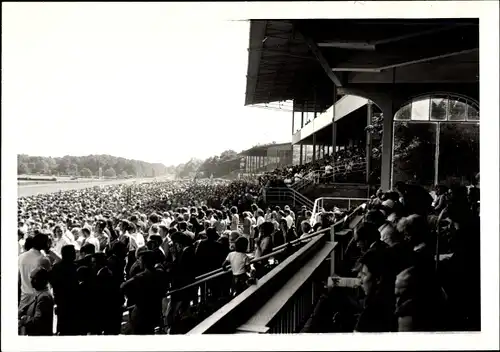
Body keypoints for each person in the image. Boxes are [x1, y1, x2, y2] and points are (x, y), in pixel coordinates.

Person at [121, 250, 164, 335]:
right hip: (155, 311)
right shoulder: (160, 273)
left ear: (144, 262)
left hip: (141, 313)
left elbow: (123, 286)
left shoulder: (140, 277)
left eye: (140, 260)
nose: (139, 262)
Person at [50, 244, 79, 335]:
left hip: (61, 300)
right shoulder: (76, 267)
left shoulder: (56, 267)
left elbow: (52, 282)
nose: (75, 254)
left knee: (62, 324)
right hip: (73, 300)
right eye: (74, 252)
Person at [18, 267, 54, 336]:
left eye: (34, 279)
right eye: (31, 278)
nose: (31, 281)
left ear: (43, 280)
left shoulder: (44, 298)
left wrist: (24, 318)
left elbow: (38, 322)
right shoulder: (41, 294)